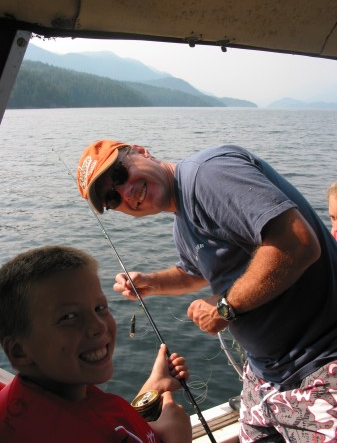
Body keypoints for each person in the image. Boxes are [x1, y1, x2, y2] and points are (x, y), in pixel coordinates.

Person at [78, 139, 337, 442]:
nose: (126, 193)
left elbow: (297, 243)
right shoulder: (183, 221)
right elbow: (195, 273)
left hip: (319, 370)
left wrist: (225, 308)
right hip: (265, 377)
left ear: (141, 151)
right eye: (112, 197)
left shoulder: (208, 175)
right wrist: (151, 283)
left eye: (121, 175)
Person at [0, 245, 192, 443]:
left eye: (100, 308)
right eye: (69, 317)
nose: (98, 326)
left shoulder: (56, 394)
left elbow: (100, 423)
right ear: (19, 351)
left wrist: (153, 388)